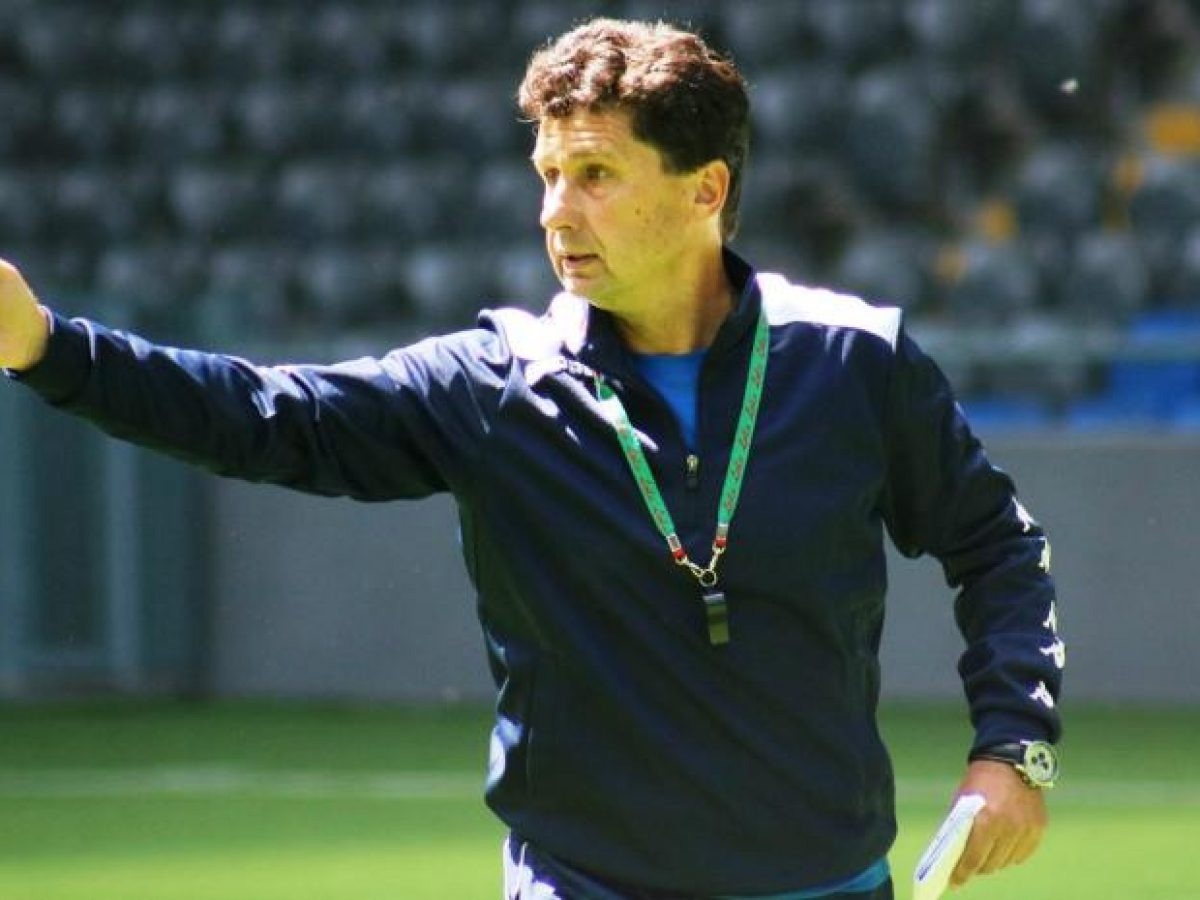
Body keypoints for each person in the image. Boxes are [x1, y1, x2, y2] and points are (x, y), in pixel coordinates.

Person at [0, 18, 1063, 900]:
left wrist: (1013, 747)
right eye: (548, 174)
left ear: (705, 190)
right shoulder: (496, 384)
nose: (557, 211)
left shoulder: (854, 361)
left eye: (595, 175)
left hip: (824, 885)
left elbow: (997, 548)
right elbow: (271, 417)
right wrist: (46, 347)